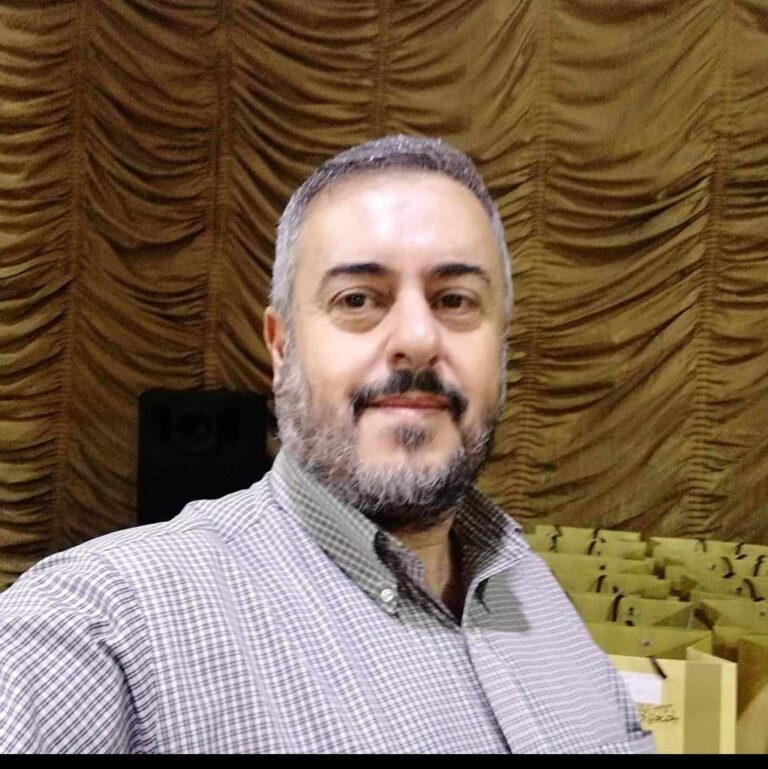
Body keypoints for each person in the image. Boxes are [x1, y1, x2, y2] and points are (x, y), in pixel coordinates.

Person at [0, 135, 654, 754]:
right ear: (280, 347)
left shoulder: (530, 585)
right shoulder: (101, 623)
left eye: (456, 300)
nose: (418, 338)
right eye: (359, 298)